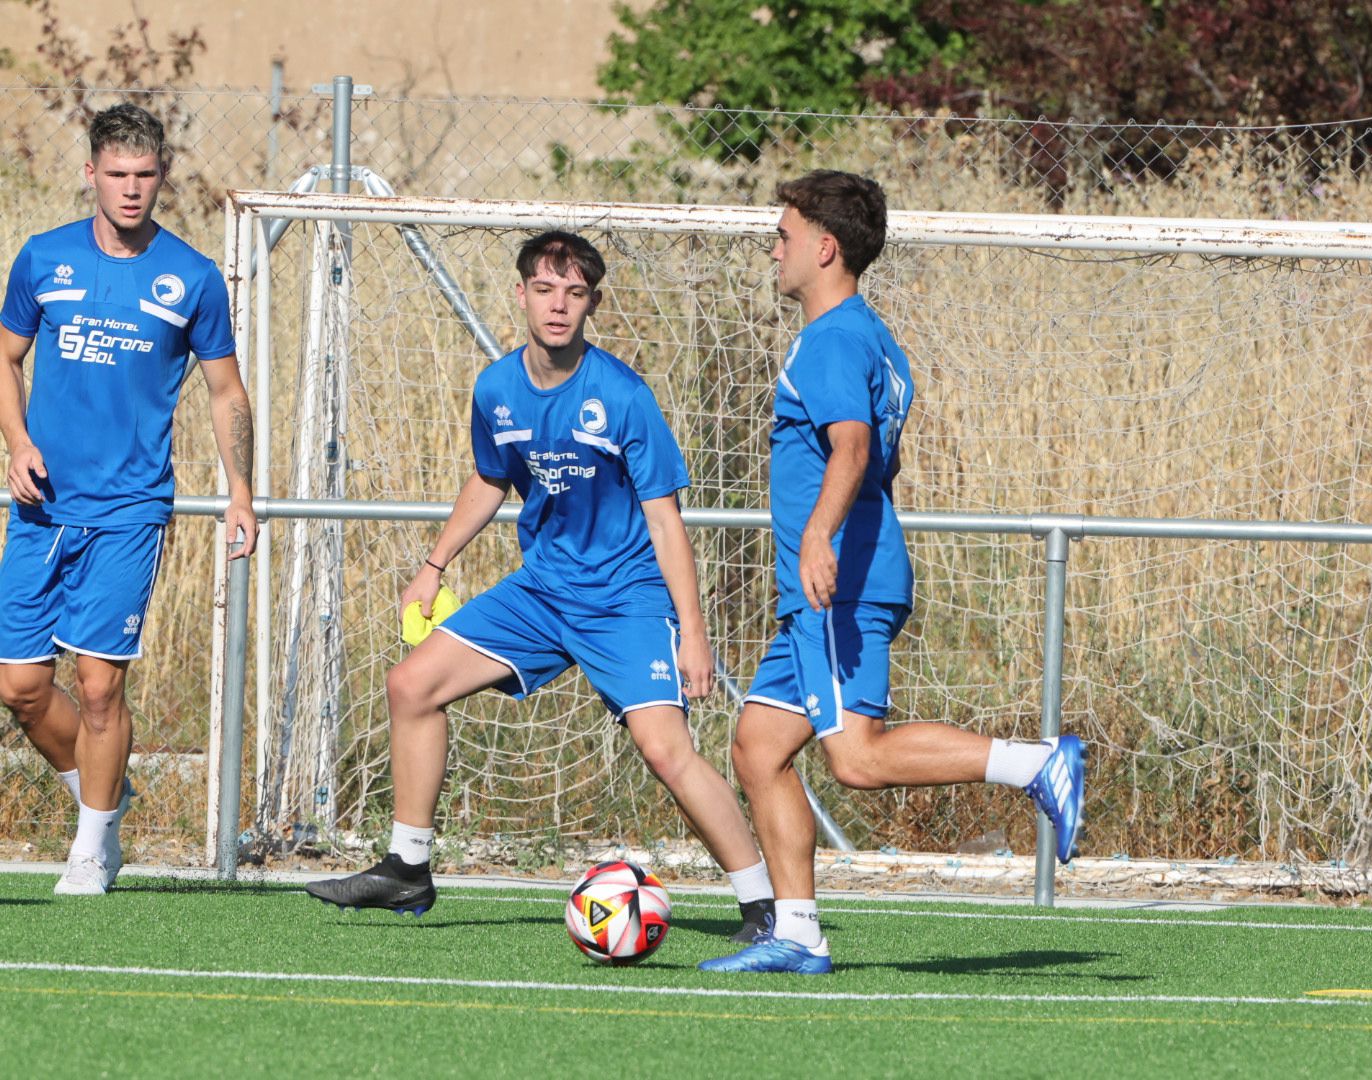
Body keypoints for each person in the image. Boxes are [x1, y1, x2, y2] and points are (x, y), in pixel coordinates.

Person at [306, 231, 775, 941]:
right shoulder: (496, 387)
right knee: (411, 686)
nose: (559, 306)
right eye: (546, 289)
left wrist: (695, 634)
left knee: (665, 751)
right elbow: (491, 478)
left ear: (592, 303)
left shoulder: (622, 395)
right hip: (543, 591)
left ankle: (764, 906)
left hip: (625, 599)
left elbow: (667, 523)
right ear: (522, 293)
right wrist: (432, 569)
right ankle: (407, 868)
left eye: (576, 293)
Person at [699, 171, 1087, 974]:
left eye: (784, 235)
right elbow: (880, 459)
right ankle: (798, 932)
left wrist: (817, 540)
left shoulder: (836, 337)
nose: (775, 249)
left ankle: (1035, 762)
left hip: (837, 583)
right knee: (759, 746)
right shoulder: (871, 337)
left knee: (858, 758)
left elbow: (854, 449)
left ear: (824, 246)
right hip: (838, 579)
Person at [0, 103, 257, 896]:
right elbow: (5, 358)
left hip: (130, 510)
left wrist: (241, 490)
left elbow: (225, 393)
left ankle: (90, 848)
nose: (131, 188)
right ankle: (103, 797)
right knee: (19, 687)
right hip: (42, 505)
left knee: (103, 684)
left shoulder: (193, 277)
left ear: (163, 177)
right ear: (91, 175)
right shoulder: (43, 259)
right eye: (117, 174)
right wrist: (17, 444)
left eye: (145, 175)